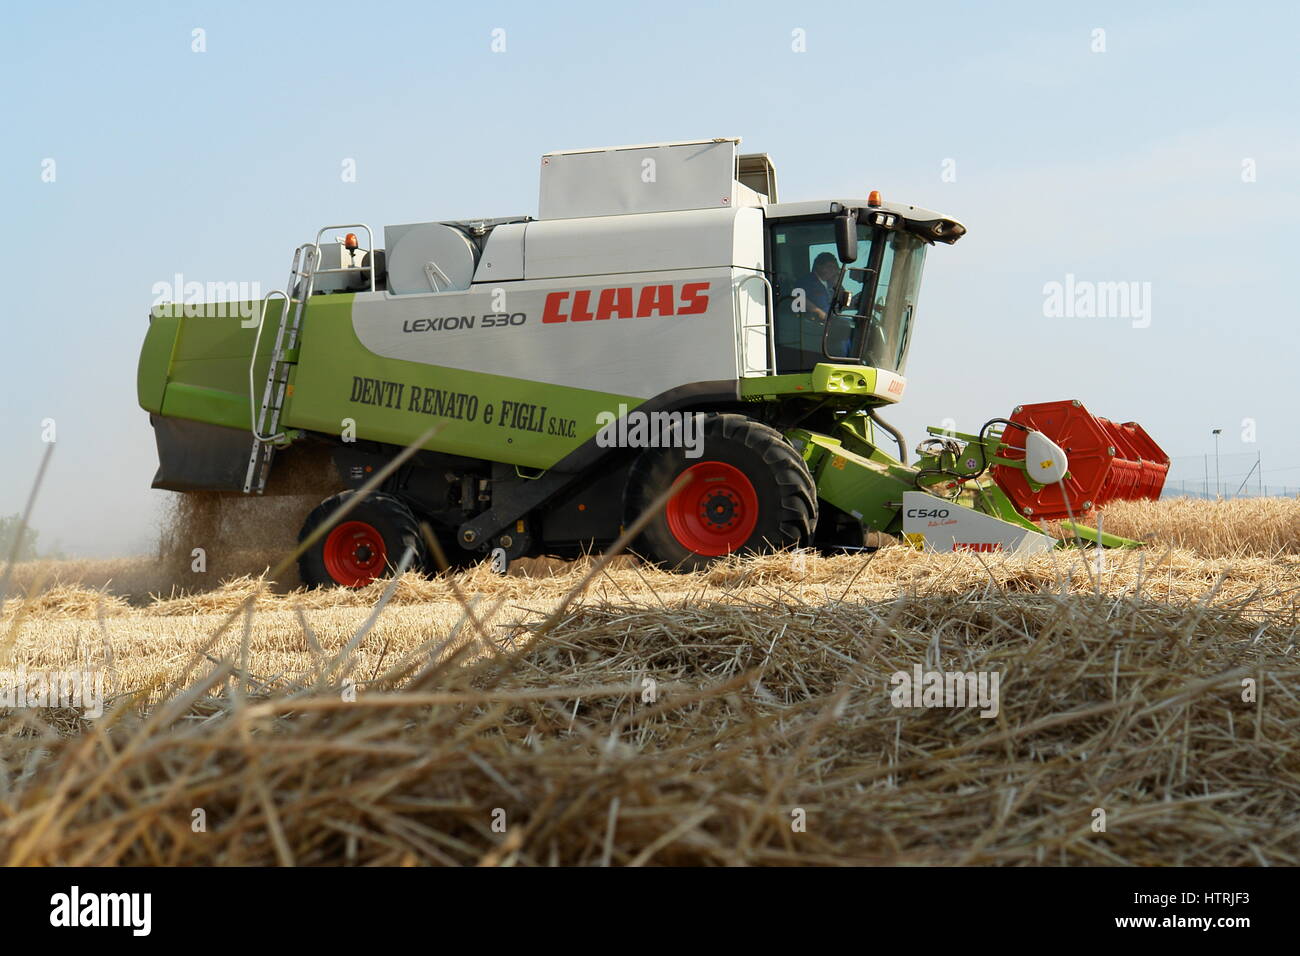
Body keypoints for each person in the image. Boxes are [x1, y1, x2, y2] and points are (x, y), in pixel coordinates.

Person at [793, 252, 854, 355]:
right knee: (844, 326)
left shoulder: (831, 284)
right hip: (814, 323)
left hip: (830, 321)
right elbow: (796, 296)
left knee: (855, 325)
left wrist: (837, 282)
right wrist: (817, 311)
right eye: (829, 267)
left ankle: (850, 355)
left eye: (835, 268)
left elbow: (841, 303)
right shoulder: (807, 281)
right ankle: (843, 356)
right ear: (818, 266)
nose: (833, 270)